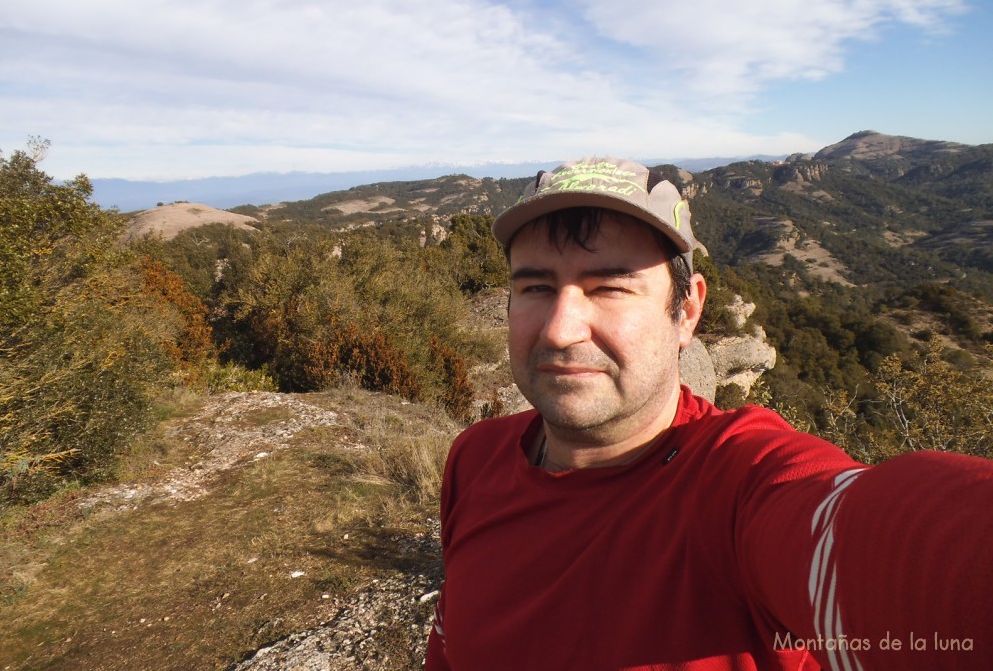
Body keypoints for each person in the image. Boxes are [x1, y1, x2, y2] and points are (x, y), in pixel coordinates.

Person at [425, 156, 993, 671]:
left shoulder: (738, 486)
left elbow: (896, 547)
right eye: (536, 287)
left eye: (610, 288)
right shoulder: (476, 457)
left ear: (688, 310)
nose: (559, 329)